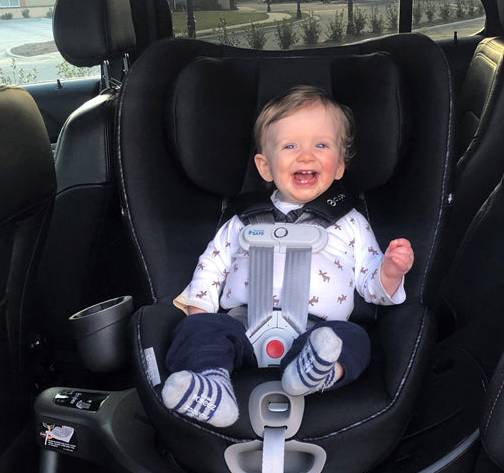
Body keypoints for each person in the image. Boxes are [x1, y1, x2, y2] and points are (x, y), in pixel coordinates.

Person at [161, 85, 414, 427]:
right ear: (265, 166)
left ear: (340, 164)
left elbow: (371, 283)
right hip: (242, 327)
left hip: (317, 331)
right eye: (290, 146)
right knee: (196, 331)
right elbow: (211, 266)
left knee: (355, 340)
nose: (306, 156)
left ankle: (317, 372)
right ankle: (212, 386)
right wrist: (200, 316)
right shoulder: (243, 220)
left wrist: (391, 270)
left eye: (321, 145)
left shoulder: (350, 222)